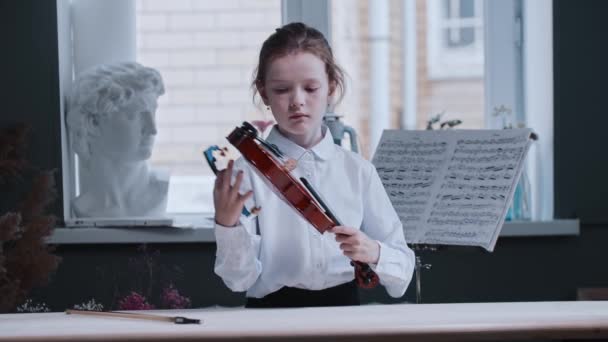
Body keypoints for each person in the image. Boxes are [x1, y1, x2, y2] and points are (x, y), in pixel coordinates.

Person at [213, 22, 415, 308]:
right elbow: (238, 280)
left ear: (331, 86)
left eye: (311, 88)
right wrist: (227, 226)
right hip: (269, 319)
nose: (297, 101)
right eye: (282, 89)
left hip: (345, 316)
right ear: (264, 92)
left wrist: (373, 251)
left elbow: (403, 271)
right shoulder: (247, 174)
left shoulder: (358, 171)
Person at [66, 62, 169, 218]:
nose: (152, 129)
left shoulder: (161, 189)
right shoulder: (84, 207)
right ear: (93, 123)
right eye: (135, 115)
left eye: (153, 112)